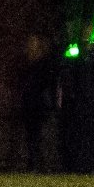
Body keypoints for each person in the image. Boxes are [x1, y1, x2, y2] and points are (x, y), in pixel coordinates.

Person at [15, 34, 62, 172]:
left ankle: (41, 162)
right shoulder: (26, 62)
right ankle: (33, 162)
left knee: (40, 134)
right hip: (28, 101)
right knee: (31, 134)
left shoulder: (45, 63)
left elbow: (49, 82)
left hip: (40, 102)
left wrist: (52, 101)